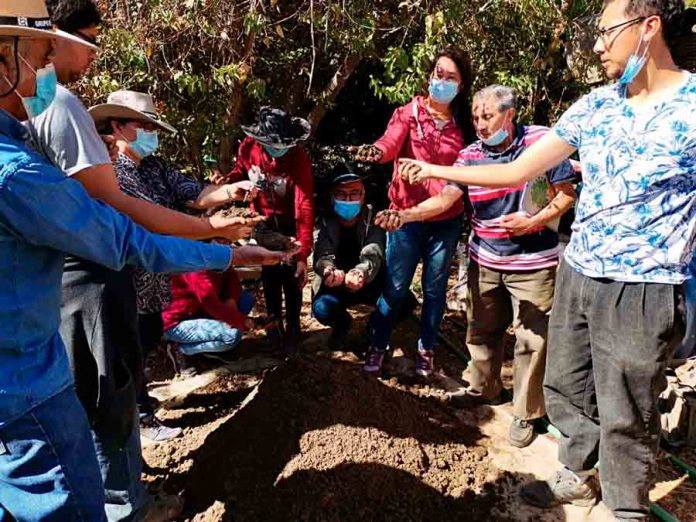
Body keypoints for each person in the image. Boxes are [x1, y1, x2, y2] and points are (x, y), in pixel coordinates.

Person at [398, 0, 692, 518]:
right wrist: (434, 169)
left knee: (626, 407)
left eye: (607, 32)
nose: (598, 45)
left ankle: (626, 508)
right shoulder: (594, 106)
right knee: (565, 386)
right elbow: (516, 172)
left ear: (649, 29)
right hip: (579, 269)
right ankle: (577, 476)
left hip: (643, 283)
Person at [0, 4, 291, 519]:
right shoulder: (29, 155)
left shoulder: (29, 133)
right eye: (41, 56)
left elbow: (176, 199)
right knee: (78, 468)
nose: (46, 72)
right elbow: (124, 231)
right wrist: (222, 250)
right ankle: (122, 504)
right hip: (32, 371)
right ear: (6, 59)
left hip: (38, 337)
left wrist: (218, 226)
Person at [380, 84, 577, 448]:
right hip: (485, 259)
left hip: (533, 262)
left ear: (510, 113)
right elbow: (445, 198)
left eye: (487, 116)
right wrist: (405, 215)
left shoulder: (541, 142)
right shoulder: (470, 156)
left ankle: (526, 412)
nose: (481, 125)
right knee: (482, 330)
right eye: (475, 117)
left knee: (533, 338)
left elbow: (567, 193)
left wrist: (534, 221)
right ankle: (484, 389)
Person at [90, 89, 261, 439]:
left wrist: (232, 192)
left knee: (145, 338)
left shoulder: (154, 167)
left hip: (157, 279)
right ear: (117, 127)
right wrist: (213, 229)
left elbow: (195, 194)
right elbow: (156, 221)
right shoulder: (109, 175)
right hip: (124, 278)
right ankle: (138, 418)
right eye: (143, 125)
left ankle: (139, 405)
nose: (151, 134)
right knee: (126, 351)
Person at [352, 47, 476, 379]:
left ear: (461, 86)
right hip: (404, 220)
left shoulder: (464, 126)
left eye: (451, 77)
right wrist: (374, 152)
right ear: (429, 75)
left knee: (434, 290)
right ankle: (377, 345)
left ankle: (426, 349)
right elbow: (389, 144)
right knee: (395, 287)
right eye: (439, 74)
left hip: (445, 222)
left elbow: (467, 172)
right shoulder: (409, 113)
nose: (443, 81)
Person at [215, 107, 315, 354]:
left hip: (290, 220)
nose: (277, 150)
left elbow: (304, 204)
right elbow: (240, 172)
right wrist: (228, 182)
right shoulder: (248, 148)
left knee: (291, 275)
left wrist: (303, 254)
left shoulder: (298, 158)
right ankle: (273, 326)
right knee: (270, 274)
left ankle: (293, 327)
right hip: (262, 220)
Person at [312, 164, 386, 350]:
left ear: (363, 195)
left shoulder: (374, 218)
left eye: (354, 193)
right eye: (341, 194)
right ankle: (343, 324)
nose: (348, 199)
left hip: (368, 281)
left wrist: (361, 272)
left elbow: (374, 251)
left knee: (402, 300)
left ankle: (373, 328)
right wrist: (328, 270)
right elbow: (322, 253)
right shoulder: (325, 221)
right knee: (322, 308)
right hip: (335, 284)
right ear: (332, 196)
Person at [162, 263, 256, 362]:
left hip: (199, 309)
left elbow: (232, 278)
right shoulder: (197, 269)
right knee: (231, 335)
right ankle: (180, 349)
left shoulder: (217, 257)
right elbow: (212, 304)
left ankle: (212, 347)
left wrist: (231, 299)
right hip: (178, 322)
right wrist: (243, 322)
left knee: (245, 299)